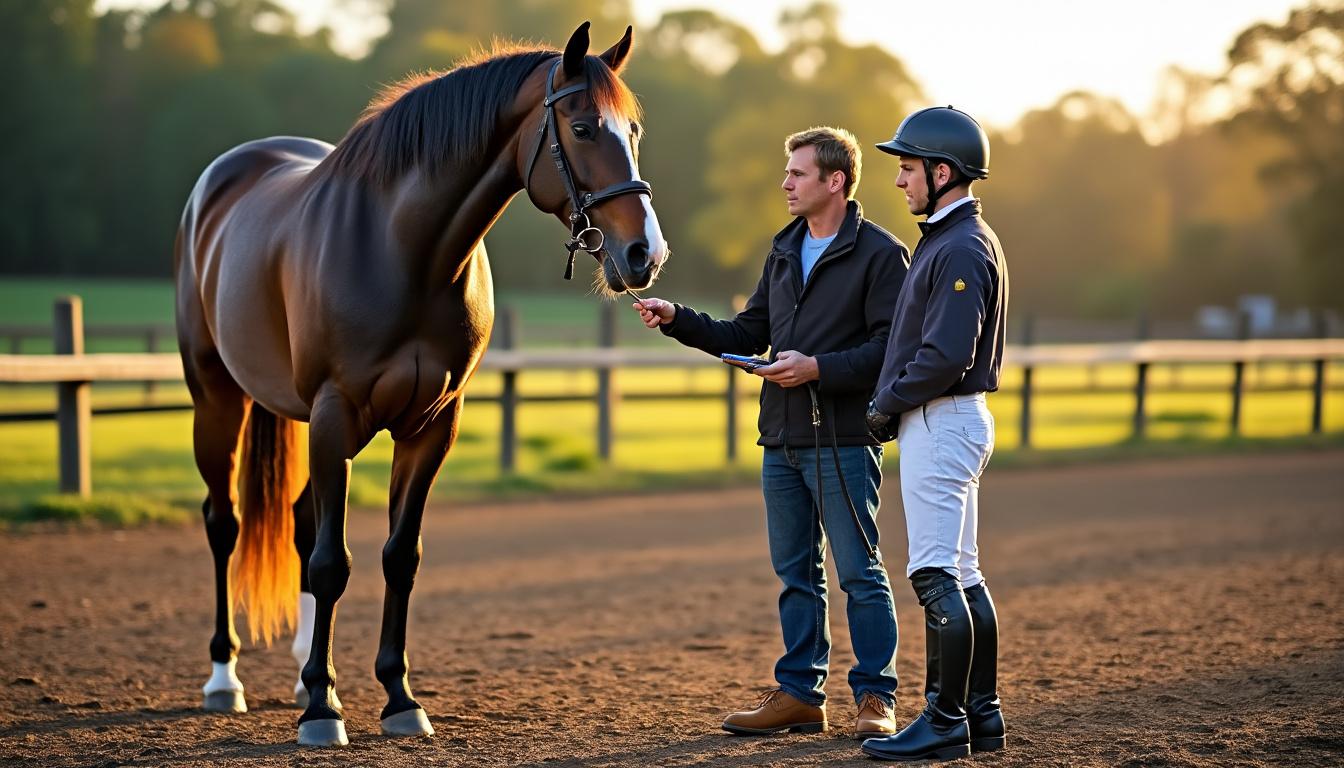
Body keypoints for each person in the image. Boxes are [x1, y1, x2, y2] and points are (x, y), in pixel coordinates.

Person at [633, 127, 909, 738]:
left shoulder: (880, 255)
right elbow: (746, 332)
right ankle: (800, 695)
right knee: (796, 576)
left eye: (798, 173)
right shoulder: (783, 249)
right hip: (780, 441)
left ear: (835, 182)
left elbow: (893, 349)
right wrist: (678, 320)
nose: (785, 182)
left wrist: (818, 369)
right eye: (787, 172)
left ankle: (875, 700)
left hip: (843, 440)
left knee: (860, 572)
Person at [859, 106, 1009, 762]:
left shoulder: (959, 246)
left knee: (933, 572)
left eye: (908, 168)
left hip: (942, 417)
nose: (900, 181)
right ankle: (982, 715)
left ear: (942, 173)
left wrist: (885, 402)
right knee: (964, 572)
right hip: (949, 417)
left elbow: (947, 352)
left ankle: (945, 720)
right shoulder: (952, 238)